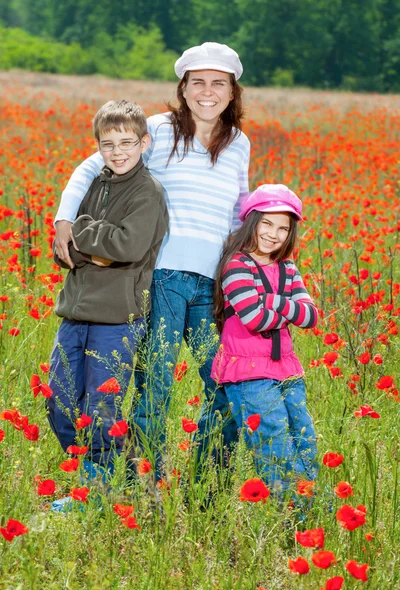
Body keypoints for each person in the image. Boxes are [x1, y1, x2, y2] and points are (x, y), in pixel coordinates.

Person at [53, 42, 250, 481]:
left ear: (232, 92)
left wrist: (245, 269)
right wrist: (64, 218)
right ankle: (145, 483)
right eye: (197, 82)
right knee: (153, 390)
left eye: (219, 83)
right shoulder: (158, 129)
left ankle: (207, 480)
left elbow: (238, 210)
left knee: (223, 382)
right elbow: (92, 165)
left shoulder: (238, 142)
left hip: (211, 284)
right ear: (183, 87)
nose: (207, 91)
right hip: (162, 279)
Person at [48, 100, 169, 500]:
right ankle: (116, 479)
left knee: (101, 413)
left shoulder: (147, 192)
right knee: (61, 405)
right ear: (97, 146)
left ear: (144, 143)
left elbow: (127, 246)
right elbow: (63, 250)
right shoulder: (92, 185)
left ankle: (96, 493)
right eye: (108, 143)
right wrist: (92, 245)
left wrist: (79, 230)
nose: (117, 152)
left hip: (117, 319)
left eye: (127, 142)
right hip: (74, 314)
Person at [212, 184, 318, 495]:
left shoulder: (286, 266)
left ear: (290, 233)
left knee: (305, 439)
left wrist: (272, 300)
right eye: (266, 224)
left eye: (283, 228)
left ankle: (304, 506)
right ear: (251, 221)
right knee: (273, 444)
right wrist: (288, 306)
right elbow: (255, 320)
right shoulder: (236, 265)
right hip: (250, 374)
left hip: (287, 370)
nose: (273, 234)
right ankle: (287, 513)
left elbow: (310, 316)